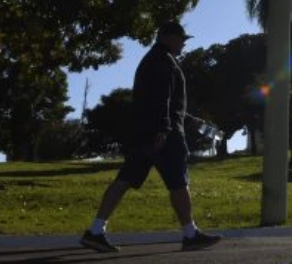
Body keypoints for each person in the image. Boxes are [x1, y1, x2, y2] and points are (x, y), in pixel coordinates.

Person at [79, 21, 222, 253]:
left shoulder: (154, 60)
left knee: (124, 179)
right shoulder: (162, 62)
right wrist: (165, 129)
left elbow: (158, 100)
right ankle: (190, 234)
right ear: (167, 37)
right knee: (178, 182)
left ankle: (95, 231)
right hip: (163, 136)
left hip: (144, 133)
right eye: (181, 39)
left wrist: (185, 118)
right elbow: (161, 99)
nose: (183, 43)